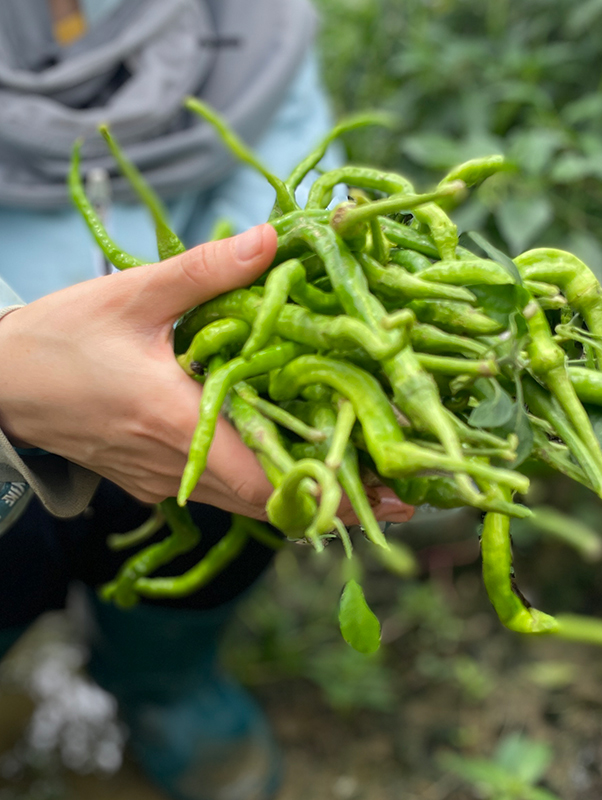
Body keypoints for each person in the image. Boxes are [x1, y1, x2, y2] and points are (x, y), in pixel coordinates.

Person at [0, 2, 413, 799]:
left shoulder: (248, 19)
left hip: (191, 382)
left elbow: (291, 215)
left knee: (222, 503)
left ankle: (163, 683)